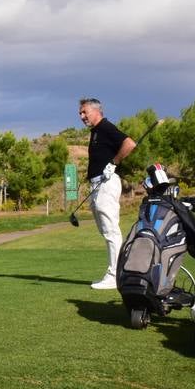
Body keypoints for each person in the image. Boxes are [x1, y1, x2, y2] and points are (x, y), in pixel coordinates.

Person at [79, 98, 136, 290]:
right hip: (97, 184)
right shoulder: (95, 131)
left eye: (84, 112)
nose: (82, 116)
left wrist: (114, 162)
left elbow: (129, 144)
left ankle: (115, 276)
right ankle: (118, 272)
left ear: (96, 111)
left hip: (107, 183)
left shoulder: (105, 126)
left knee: (111, 230)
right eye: (80, 113)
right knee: (106, 230)